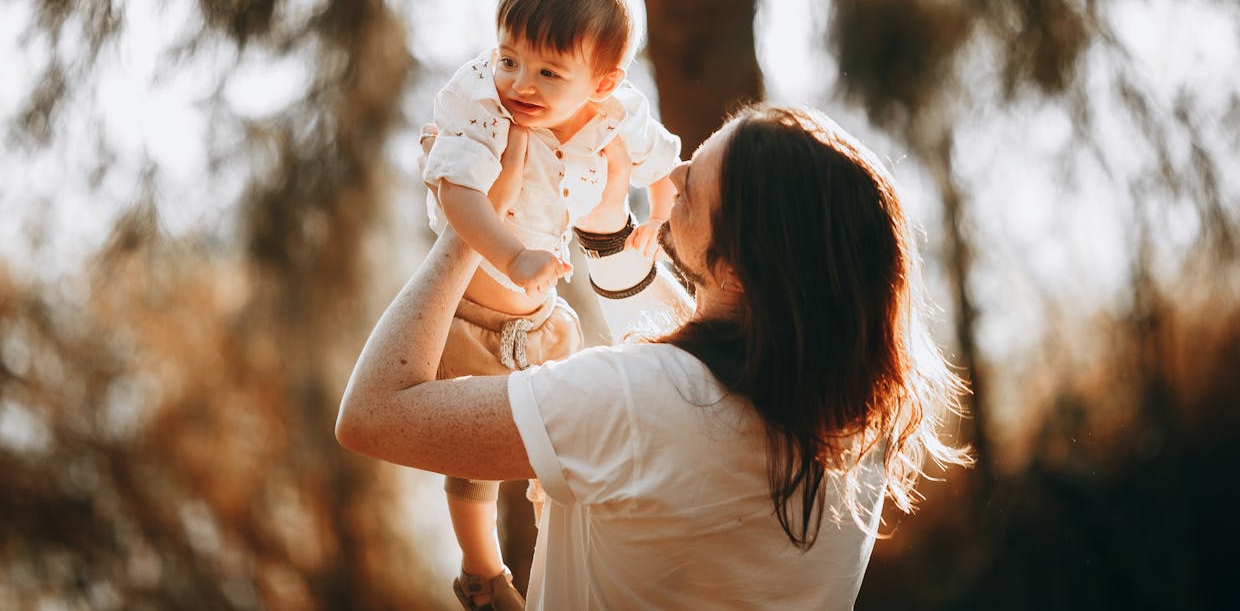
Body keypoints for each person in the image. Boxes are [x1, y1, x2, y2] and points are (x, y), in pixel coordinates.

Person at [338, 103, 969, 609]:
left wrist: (471, 219)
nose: (679, 168)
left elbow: (373, 413)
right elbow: (689, 363)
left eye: (692, 186)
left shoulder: (640, 400)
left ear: (742, 269)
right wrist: (609, 226)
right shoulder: (856, 430)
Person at [417, 0, 682, 608]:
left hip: (541, 317)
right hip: (475, 313)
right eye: (510, 57)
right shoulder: (484, 104)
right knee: (474, 455)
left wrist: (661, 211)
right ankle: (481, 569)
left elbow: (660, 157)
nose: (520, 83)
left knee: (561, 445)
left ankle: (562, 564)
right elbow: (458, 197)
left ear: (602, 84)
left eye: (548, 72)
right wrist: (512, 256)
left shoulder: (616, 114)